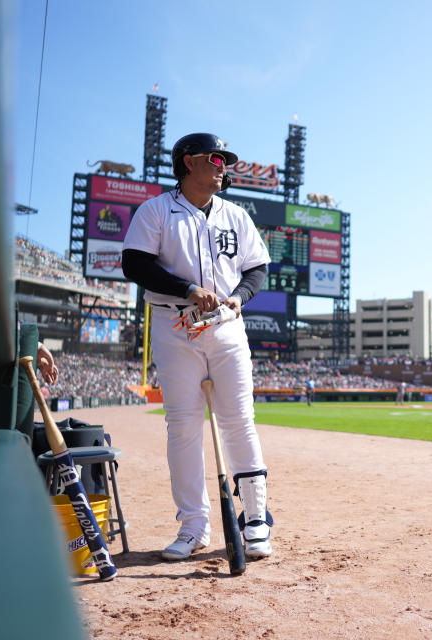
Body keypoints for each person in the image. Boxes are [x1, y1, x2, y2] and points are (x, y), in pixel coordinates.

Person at [122, 132, 274, 562]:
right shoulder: (156, 210)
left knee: (239, 421)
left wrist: (240, 298)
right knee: (183, 427)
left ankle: (256, 519)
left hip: (226, 328)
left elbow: (256, 267)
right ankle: (193, 525)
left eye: (225, 159)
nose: (223, 165)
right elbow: (134, 263)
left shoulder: (236, 215)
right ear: (188, 163)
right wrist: (188, 289)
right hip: (175, 326)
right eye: (215, 158)